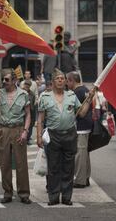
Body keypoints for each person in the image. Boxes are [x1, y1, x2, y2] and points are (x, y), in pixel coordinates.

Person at [36, 69, 94, 206]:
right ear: (53, 82)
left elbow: (82, 113)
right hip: (53, 136)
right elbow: (40, 120)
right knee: (53, 168)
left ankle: (67, 197)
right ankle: (54, 197)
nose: (61, 80)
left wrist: (90, 98)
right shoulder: (45, 97)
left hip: (69, 135)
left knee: (68, 168)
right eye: (58, 78)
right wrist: (39, 136)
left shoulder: (71, 95)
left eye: (63, 78)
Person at [0, 69, 32, 204]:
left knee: (21, 163)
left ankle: (24, 193)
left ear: (15, 81)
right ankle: (7, 192)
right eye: (3, 79)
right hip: (3, 130)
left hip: (18, 129)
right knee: (5, 163)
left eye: (7, 79)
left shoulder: (23, 94)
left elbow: (28, 114)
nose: (4, 82)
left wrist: (25, 131)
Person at [66, 71, 93, 189]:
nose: (66, 83)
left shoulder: (76, 92)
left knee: (80, 154)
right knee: (84, 153)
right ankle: (86, 177)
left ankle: (80, 180)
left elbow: (77, 111)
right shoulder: (85, 89)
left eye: (67, 80)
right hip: (87, 125)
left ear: (72, 80)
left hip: (80, 126)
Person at [21, 79, 36, 145]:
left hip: (30, 111)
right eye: (26, 84)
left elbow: (33, 102)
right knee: (23, 125)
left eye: (28, 85)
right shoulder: (20, 92)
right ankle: (22, 138)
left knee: (30, 125)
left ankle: (27, 139)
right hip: (22, 111)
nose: (27, 86)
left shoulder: (32, 94)